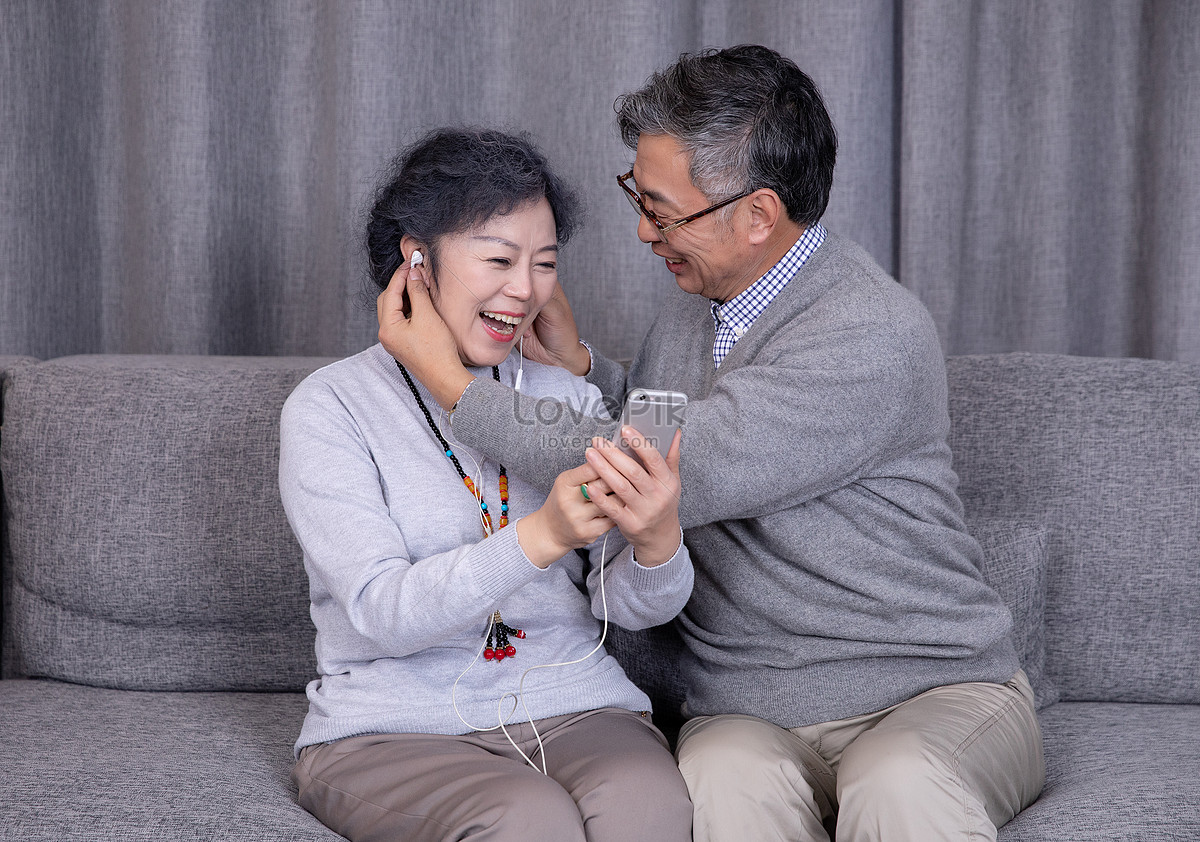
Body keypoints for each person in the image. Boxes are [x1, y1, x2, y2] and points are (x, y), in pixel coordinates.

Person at [379, 47, 1045, 842]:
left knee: (897, 784)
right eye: (639, 195)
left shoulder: (870, 333)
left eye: (661, 209)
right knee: (718, 783)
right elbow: (690, 422)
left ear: (757, 215)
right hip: (749, 705)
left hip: (930, 692)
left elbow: (669, 470)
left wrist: (453, 388)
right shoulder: (703, 301)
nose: (641, 228)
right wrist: (586, 366)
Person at [279, 128, 695, 842]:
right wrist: (541, 538)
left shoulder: (563, 396)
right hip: (394, 730)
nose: (525, 290)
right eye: (499, 259)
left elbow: (623, 606)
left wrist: (658, 547)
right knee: (528, 820)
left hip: (575, 710)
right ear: (417, 262)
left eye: (543, 264)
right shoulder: (330, 407)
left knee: (651, 805)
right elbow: (383, 611)